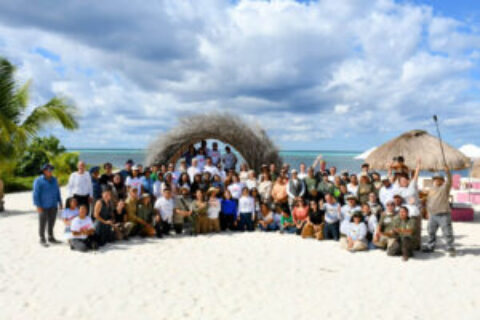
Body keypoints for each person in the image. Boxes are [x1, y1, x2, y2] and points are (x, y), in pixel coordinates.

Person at [423, 166, 455, 256]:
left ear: (442, 180)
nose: (437, 180)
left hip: (444, 214)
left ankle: (450, 247)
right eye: (435, 179)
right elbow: (428, 201)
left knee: (447, 232)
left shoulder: (445, 188)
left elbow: (450, 181)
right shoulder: (431, 189)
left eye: (439, 179)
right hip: (432, 214)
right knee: (430, 231)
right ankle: (430, 246)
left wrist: (447, 171)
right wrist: (427, 212)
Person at [33, 163, 63, 247]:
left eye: (51, 170)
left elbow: (57, 191)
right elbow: (36, 194)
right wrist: (38, 206)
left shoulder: (54, 180)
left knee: (52, 222)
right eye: (48, 170)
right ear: (44, 171)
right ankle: (42, 239)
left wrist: (60, 202)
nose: (50, 171)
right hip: (43, 206)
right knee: (42, 223)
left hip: (53, 205)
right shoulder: (38, 181)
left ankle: (51, 237)